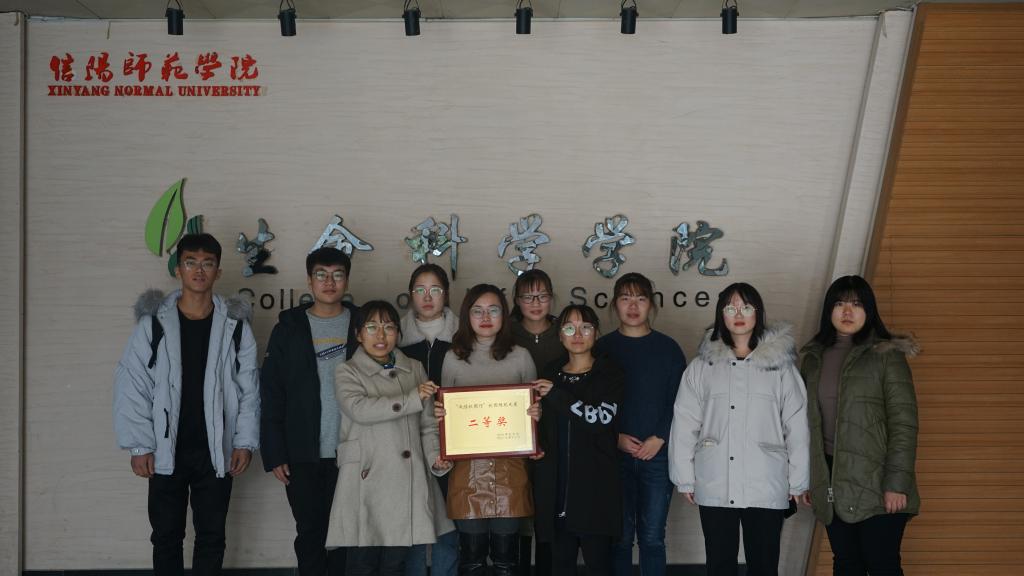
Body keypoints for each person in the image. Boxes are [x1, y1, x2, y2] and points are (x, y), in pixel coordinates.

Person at [114, 233, 260, 576]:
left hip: (216, 448)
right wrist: (140, 445)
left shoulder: (235, 327)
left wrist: (244, 442)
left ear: (218, 271)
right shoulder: (154, 324)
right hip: (167, 448)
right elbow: (132, 385)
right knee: (166, 537)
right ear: (178, 270)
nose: (199, 270)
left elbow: (249, 389)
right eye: (191, 262)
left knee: (212, 537)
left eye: (207, 263)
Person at [669, 283, 809, 576]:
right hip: (716, 478)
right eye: (730, 308)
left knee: (764, 564)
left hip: (766, 480)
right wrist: (685, 478)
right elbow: (684, 422)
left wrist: (797, 482)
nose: (739, 314)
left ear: (758, 313)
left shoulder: (781, 368)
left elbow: (796, 425)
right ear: (721, 314)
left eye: (746, 307)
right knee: (719, 563)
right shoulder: (702, 367)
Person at [800, 275, 919, 576]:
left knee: (882, 564)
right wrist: (809, 478)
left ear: (869, 310)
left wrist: (896, 483)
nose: (847, 311)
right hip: (831, 477)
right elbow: (806, 425)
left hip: (878, 479)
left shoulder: (886, 355)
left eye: (856, 304)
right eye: (839, 304)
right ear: (829, 310)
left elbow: (904, 423)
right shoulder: (813, 358)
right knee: (846, 563)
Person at [326, 301, 455, 576]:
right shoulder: (347, 370)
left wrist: (436, 459)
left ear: (398, 332)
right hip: (366, 478)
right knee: (362, 565)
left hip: (406, 479)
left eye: (388, 327)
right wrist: (411, 398)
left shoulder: (414, 368)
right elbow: (360, 409)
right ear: (358, 334)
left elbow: (427, 425)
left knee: (394, 566)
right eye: (372, 327)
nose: (381, 335)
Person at [261, 247, 359, 575]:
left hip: (352, 452)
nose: (329, 282)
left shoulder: (363, 325)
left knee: (349, 535)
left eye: (337, 275)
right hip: (302, 453)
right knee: (310, 534)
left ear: (347, 281)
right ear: (309, 281)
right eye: (321, 275)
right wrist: (275, 452)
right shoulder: (289, 328)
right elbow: (272, 392)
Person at [437, 284, 542, 576]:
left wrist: (536, 414)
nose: (485, 317)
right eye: (477, 310)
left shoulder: (521, 356)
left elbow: (533, 410)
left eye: (493, 310)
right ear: (466, 316)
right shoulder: (453, 357)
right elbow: (444, 412)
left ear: (504, 315)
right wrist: (441, 415)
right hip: (467, 470)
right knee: (471, 559)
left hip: (511, 470)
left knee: (506, 561)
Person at [594, 272, 685, 576]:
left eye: (640, 299)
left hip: (657, 457)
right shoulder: (601, 349)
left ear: (651, 305)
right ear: (614, 304)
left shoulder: (668, 349)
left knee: (652, 538)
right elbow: (591, 403)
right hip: (614, 456)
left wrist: (659, 437)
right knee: (619, 538)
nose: (633, 306)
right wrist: (614, 437)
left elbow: (680, 401)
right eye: (625, 298)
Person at [533, 305, 625, 576]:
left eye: (585, 327)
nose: (577, 334)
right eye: (569, 328)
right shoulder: (549, 373)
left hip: (595, 490)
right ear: (560, 335)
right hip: (556, 489)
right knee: (560, 566)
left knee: (599, 564)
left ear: (596, 333)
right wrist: (535, 427)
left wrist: (557, 396)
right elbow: (543, 429)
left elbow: (600, 420)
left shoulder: (610, 373)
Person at [398, 263, 459, 576]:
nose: (427, 296)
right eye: (419, 290)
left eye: (435, 289)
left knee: (450, 522)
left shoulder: (465, 336)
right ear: (410, 295)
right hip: (409, 441)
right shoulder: (394, 337)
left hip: (456, 442)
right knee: (413, 523)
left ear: (445, 294)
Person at [508, 268, 561, 576]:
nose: (536, 303)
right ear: (516, 300)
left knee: (547, 513)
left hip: (556, 434)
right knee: (518, 509)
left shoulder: (565, 331)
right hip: (513, 435)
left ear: (552, 298)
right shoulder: (506, 333)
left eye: (542, 296)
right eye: (528, 297)